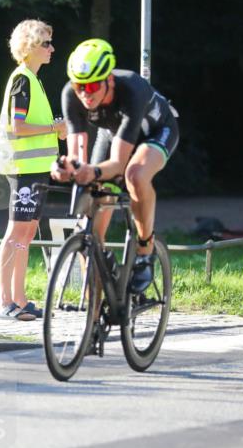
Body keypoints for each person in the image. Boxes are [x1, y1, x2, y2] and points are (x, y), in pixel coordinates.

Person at [51, 39, 179, 294]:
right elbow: (77, 155)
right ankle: (95, 316)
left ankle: (145, 250)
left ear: (109, 79)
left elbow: (119, 164)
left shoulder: (132, 89)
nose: (86, 93)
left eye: (93, 85)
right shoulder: (70, 94)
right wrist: (67, 168)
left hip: (155, 131)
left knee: (134, 175)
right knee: (89, 224)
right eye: (79, 86)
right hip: (112, 135)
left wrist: (94, 172)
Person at [0, 19, 67, 321]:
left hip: (37, 169)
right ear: (31, 47)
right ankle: (4, 301)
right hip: (23, 169)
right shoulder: (22, 79)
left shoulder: (33, 80)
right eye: (46, 43)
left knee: (28, 231)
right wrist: (52, 127)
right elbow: (17, 127)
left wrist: (56, 131)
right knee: (16, 232)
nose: (52, 48)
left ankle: (19, 299)